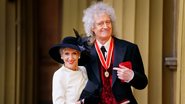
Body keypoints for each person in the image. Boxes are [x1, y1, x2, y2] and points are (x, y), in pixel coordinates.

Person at [80, 2, 148, 104]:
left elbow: (143, 83)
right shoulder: (85, 52)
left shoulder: (129, 48)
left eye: (108, 22)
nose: (106, 26)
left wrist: (132, 76)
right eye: (100, 23)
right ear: (92, 28)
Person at [49, 35, 89, 104]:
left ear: (79, 55)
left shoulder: (83, 70)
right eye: (67, 54)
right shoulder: (59, 75)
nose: (70, 58)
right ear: (61, 56)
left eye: (74, 53)